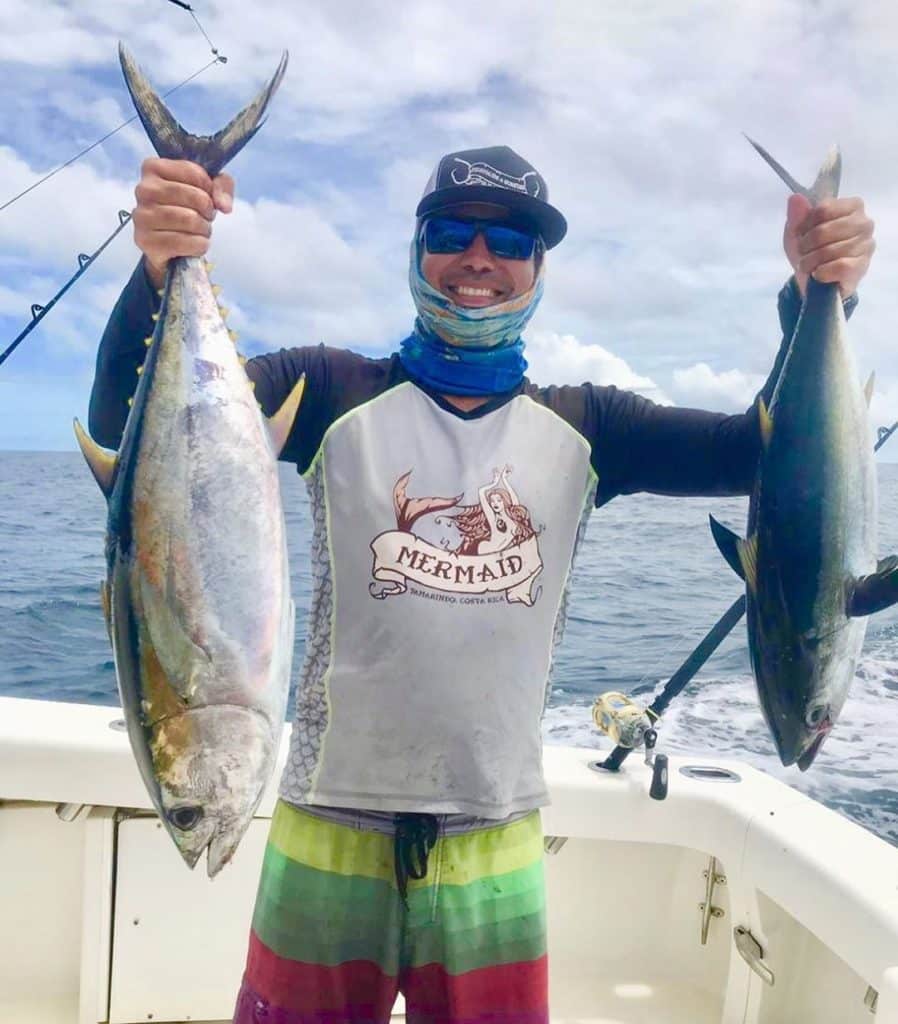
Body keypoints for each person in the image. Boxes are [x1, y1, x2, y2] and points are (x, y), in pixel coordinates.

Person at [89, 144, 875, 1024]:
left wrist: (815, 297)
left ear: (538, 268)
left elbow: (760, 456)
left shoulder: (590, 424)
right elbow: (138, 450)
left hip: (494, 833)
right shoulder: (323, 390)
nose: (479, 258)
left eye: (509, 240)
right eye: (451, 232)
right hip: (324, 819)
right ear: (417, 248)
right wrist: (157, 271)